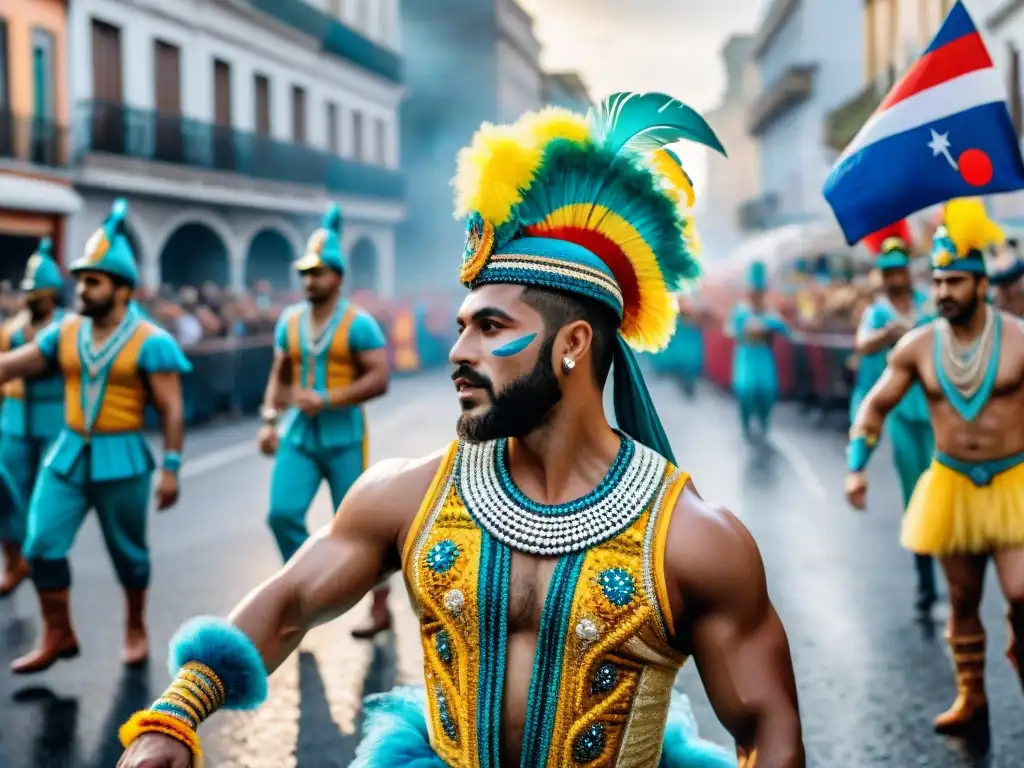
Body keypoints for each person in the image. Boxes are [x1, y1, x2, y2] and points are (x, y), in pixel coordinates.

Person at [116, 95, 803, 768]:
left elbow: (768, 730)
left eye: (492, 327)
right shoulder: (409, 496)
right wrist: (176, 715)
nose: (458, 351)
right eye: (462, 326)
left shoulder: (693, 540)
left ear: (572, 344)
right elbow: (292, 599)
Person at [846, 198, 1024, 749]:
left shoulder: (1019, 339)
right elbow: (874, 407)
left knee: (1021, 594)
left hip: (1013, 483)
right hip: (951, 484)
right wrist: (856, 468)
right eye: (939, 281)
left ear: (981, 285)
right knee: (963, 599)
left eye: (955, 282)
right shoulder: (918, 346)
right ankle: (972, 699)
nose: (943, 291)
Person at [0, 199, 192, 674]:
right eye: (81, 279)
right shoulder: (66, 332)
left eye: (93, 281)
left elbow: (171, 407)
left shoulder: (151, 341)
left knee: (129, 554)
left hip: (121, 456)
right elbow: (18, 364)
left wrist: (171, 467)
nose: (82, 288)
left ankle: (135, 626)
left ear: (122, 289)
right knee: (41, 546)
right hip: (67, 453)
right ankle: (58, 632)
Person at [256, 204, 391, 638]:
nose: (309, 280)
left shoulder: (359, 324)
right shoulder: (290, 321)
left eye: (318, 272)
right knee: (281, 514)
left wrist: (329, 398)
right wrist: (270, 419)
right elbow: (280, 374)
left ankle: (380, 605)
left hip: (344, 437)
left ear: (338, 276)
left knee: (359, 528)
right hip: (299, 435)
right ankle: (303, 595)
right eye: (305, 273)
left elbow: (379, 378)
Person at [851, 232, 937, 613]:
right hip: (902, 413)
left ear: (907, 272)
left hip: (939, 411)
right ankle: (926, 577)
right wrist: (889, 333)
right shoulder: (879, 312)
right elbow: (862, 343)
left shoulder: (929, 302)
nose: (893, 277)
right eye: (886, 272)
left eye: (898, 270)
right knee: (915, 496)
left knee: (949, 492)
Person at [0, 238, 66, 596]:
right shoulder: (12, 327)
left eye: (37, 292)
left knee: (49, 498)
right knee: (7, 494)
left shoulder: (66, 328)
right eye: (28, 292)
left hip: (54, 420)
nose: (31, 298)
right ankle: (14, 560)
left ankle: (44, 564)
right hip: (13, 420)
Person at [726, 261, 788, 440]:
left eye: (759, 291)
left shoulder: (770, 313)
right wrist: (753, 328)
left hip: (764, 357)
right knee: (746, 390)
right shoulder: (740, 311)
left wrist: (770, 326)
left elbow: (785, 329)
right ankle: (746, 422)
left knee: (767, 391)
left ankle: (763, 421)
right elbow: (733, 329)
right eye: (753, 291)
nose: (756, 295)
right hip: (746, 356)